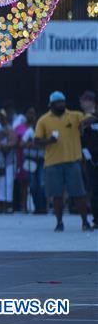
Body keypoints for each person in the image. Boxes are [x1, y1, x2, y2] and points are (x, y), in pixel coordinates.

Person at [34, 91, 97, 231]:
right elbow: (36, 140)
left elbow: (91, 119)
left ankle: (85, 222)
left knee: (79, 194)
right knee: (57, 196)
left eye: (63, 102)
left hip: (72, 161)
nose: (61, 104)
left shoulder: (74, 116)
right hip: (53, 163)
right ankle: (59, 222)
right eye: (58, 102)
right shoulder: (43, 120)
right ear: (51, 104)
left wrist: (85, 122)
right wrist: (49, 141)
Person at [16, 107, 46, 213]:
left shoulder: (44, 130)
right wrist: (31, 144)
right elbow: (21, 143)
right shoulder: (29, 131)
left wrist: (40, 144)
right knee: (33, 183)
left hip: (41, 159)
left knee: (42, 183)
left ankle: (43, 207)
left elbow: (47, 142)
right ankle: (37, 207)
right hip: (31, 159)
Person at [80, 90, 98, 226]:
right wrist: (88, 158)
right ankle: (96, 219)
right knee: (94, 189)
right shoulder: (87, 121)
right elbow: (83, 142)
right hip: (92, 161)